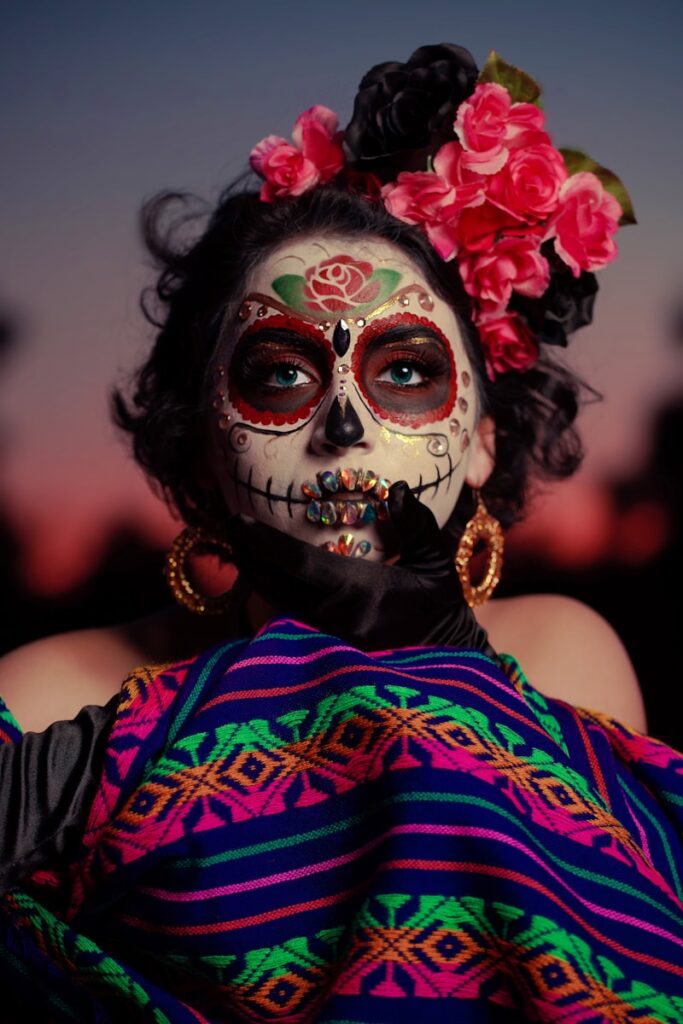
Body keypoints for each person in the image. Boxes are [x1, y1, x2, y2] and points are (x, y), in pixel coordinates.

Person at [1, 43, 680, 1023]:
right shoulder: (44, 700)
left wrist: (448, 663)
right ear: (202, 460)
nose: (345, 427)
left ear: (482, 442)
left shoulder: (563, 654)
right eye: (279, 376)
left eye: (404, 371)